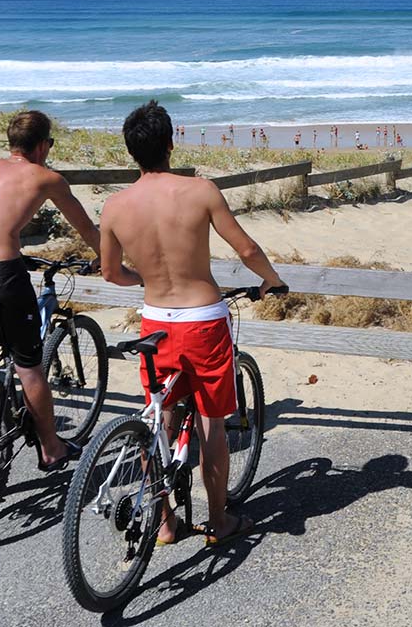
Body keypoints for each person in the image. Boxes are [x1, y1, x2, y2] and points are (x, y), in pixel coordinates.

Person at [100, 101, 285, 546]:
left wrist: (146, 278)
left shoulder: (115, 206)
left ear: (131, 152)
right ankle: (218, 522)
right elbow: (245, 249)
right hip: (202, 321)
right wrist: (272, 280)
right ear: (170, 142)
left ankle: (165, 522)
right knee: (211, 423)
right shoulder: (200, 190)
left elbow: (110, 273)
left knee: (159, 420)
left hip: (155, 321)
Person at [0, 111, 98, 497]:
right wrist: (108, 262)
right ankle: (50, 449)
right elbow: (86, 229)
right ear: (43, 145)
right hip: (2, 272)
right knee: (28, 365)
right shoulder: (46, 177)